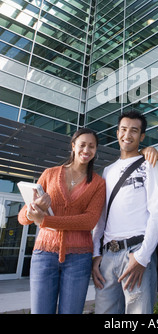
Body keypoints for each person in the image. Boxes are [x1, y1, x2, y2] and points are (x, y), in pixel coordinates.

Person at [18, 128, 106, 314]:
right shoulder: (50, 174)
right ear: (73, 146)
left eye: (92, 146)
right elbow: (22, 217)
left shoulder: (98, 183)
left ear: (96, 150)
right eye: (82, 145)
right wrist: (34, 209)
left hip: (79, 258)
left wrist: (46, 220)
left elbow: (89, 221)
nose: (86, 150)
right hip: (44, 255)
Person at [92, 110, 158, 314]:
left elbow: (156, 212)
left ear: (141, 137)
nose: (127, 135)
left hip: (136, 251)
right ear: (117, 133)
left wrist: (142, 257)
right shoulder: (108, 171)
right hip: (108, 256)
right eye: (123, 129)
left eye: (134, 131)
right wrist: (96, 254)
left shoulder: (150, 163)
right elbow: (102, 217)